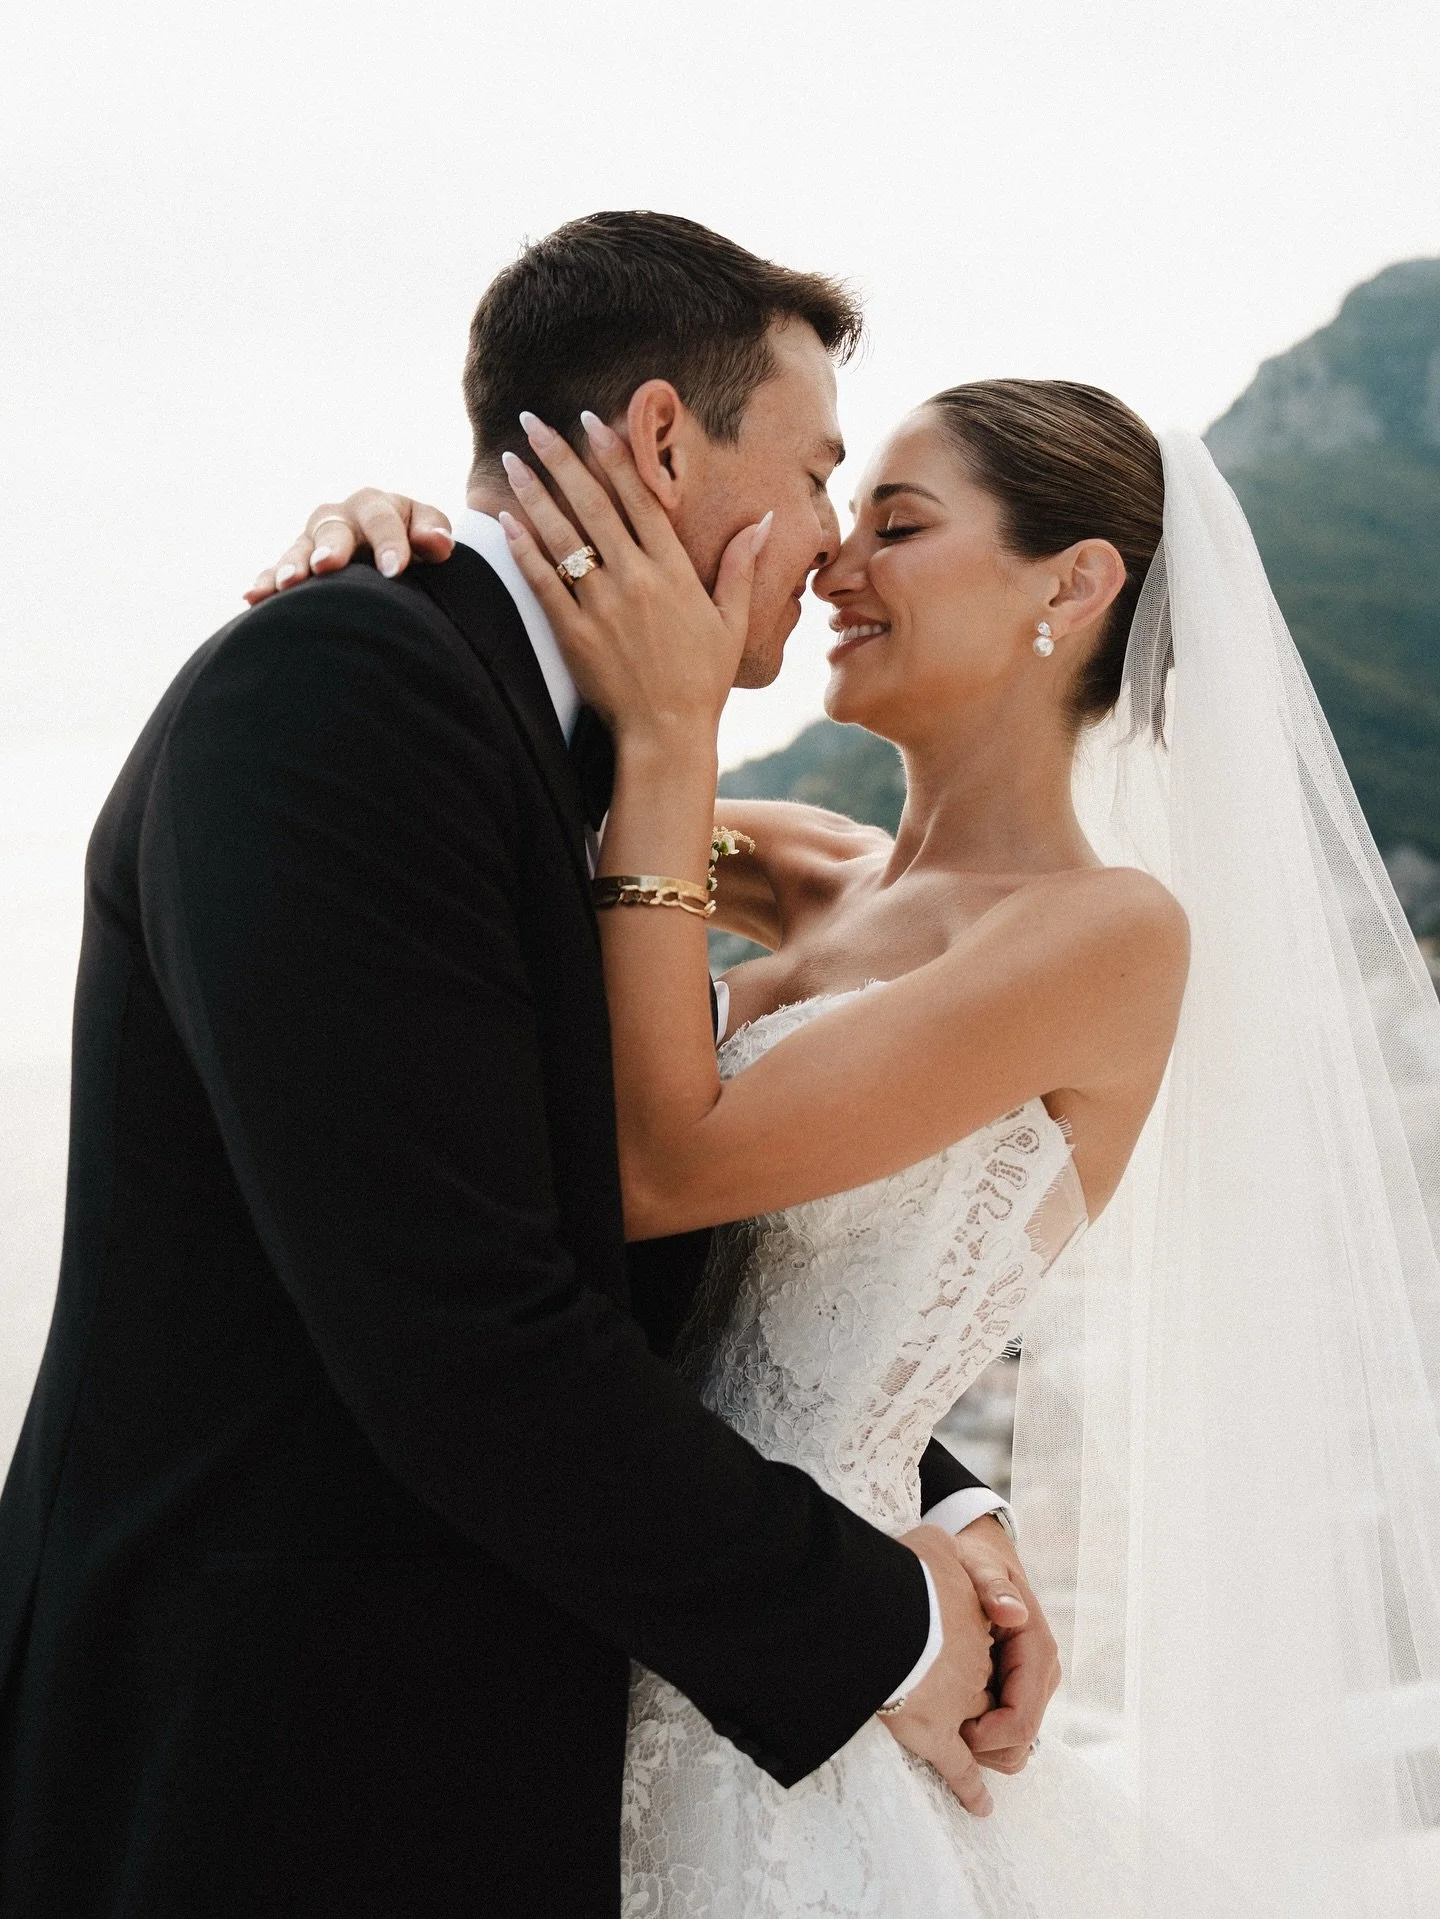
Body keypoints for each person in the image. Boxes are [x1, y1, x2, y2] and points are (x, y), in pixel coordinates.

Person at [0, 215, 1052, 1919]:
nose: (834, 542)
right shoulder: (344, 689)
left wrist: (927, 1477)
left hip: (452, 1752)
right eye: (816, 470)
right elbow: (465, 1327)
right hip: (261, 1767)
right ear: (658, 440)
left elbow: (627, 1254)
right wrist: (888, 1624)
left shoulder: (555, 745)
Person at [288, 375, 1440, 1913]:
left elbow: (663, 1169)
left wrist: (675, 729)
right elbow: (509, 781)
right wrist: (421, 573)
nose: (833, 564)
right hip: (652, 1602)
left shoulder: (1103, 934)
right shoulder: (801, 864)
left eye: (896, 524)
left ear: (1075, 586)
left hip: (806, 1690)